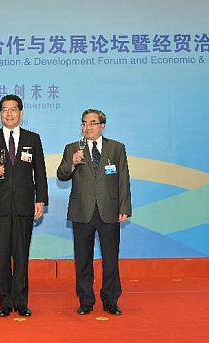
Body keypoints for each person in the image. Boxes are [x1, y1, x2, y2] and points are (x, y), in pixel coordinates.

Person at [0, 94, 48, 317]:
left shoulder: (32, 139)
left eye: (13, 109)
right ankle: (5, 301)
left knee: (22, 255)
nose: (9, 113)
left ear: (21, 113)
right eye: (5, 110)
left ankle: (21, 301)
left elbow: (41, 173)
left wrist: (41, 199)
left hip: (25, 205)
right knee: (3, 255)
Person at [56, 108, 131, 316]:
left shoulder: (116, 148)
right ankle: (86, 300)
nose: (87, 127)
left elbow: (123, 178)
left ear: (102, 125)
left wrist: (124, 207)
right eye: (84, 123)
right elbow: (61, 175)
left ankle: (111, 300)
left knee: (110, 258)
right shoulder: (72, 148)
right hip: (82, 211)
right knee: (83, 258)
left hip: (109, 210)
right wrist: (72, 162)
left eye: (92, 123)